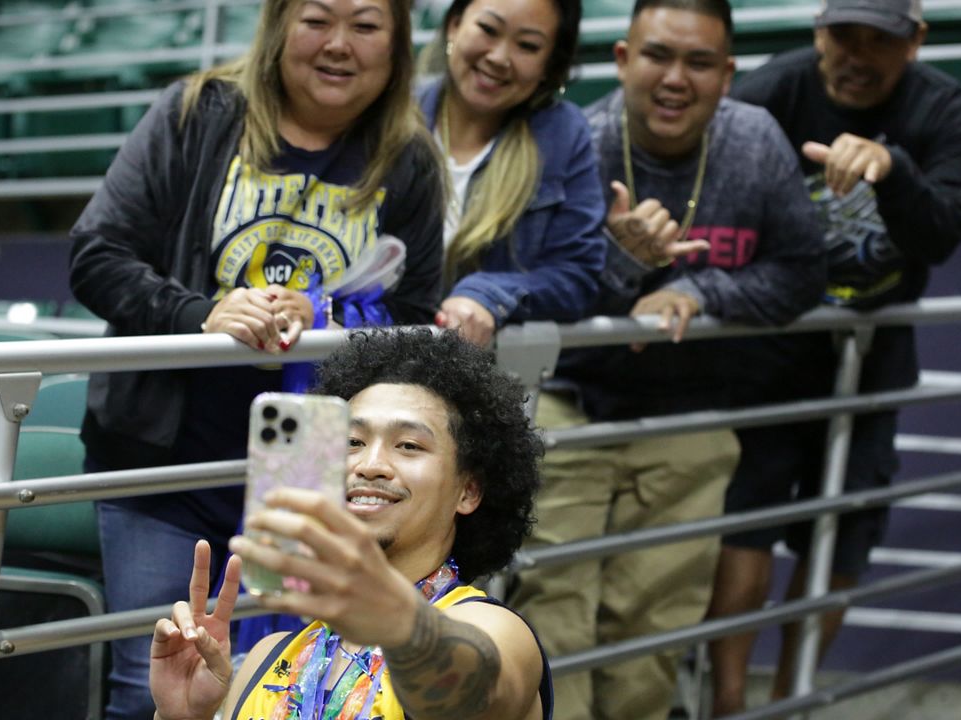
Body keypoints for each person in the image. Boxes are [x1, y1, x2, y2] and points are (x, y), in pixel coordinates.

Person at [67, 0, 444, 714]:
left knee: (293, 691)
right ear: (278, 26)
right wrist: (200, 312)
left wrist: (330, 313)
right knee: (153, 689)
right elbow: (96, 252)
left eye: (366, 26)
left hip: (311, 478)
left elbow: (417, 316)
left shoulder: (409, 159)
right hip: (163, 470)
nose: (338, 45)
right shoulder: (195, 114)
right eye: (317, 20)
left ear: (396, 49)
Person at [505, 1, 826, 718]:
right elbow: (537, 291)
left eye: (700, 62)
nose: (676, 78)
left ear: (727, 74)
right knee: (554, 614)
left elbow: (805, 272)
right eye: (657, 56)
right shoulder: (579, 141)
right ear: (622, 60)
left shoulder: (754, 141)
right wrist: (624, 267)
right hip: (571, 403)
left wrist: (698, 287)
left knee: (656, 624)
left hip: (690, 413)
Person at [705, 0, 961, 711]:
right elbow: (714, 211)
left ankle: (794, 699)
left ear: (916, 42)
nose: (857, 55)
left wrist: (892, 170)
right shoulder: (770, 94)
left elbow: (942, 236)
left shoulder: (945, 109)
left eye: (879, 41)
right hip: (767, 350)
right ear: (817, 33)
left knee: (845, 535)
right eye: (843, 36)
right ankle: (731, 704)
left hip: (873, 351)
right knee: (747, 525)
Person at [147, 328, 552, 720]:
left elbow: (474, 698)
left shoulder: (493, 630)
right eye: (351, 442)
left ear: (469, 491)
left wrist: (398, 622)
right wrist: (181, 716)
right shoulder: (265, 658)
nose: (369, 465)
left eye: (409, 446)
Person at [418, 0, 606, 346]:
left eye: (527, 46)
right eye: (488, 30)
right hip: (373, 358)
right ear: (454, 26)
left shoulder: (563, 134)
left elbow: (576, 278)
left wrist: (487, 296)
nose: (499, 57)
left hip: (494, 378)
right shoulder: (397, 113)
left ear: (550, 65)